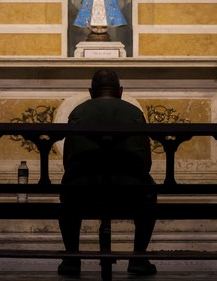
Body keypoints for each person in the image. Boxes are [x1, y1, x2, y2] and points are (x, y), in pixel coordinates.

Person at [58, 69, 157, 277]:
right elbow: (146, 161)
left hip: (83, 192)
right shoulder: (134, 112)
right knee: (148, 192)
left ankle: (72, 259)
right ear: (120, 91)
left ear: (91, 91)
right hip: (129, 193)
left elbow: (69, 159)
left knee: (69, 189)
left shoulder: (79, 111)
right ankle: (139, 258)